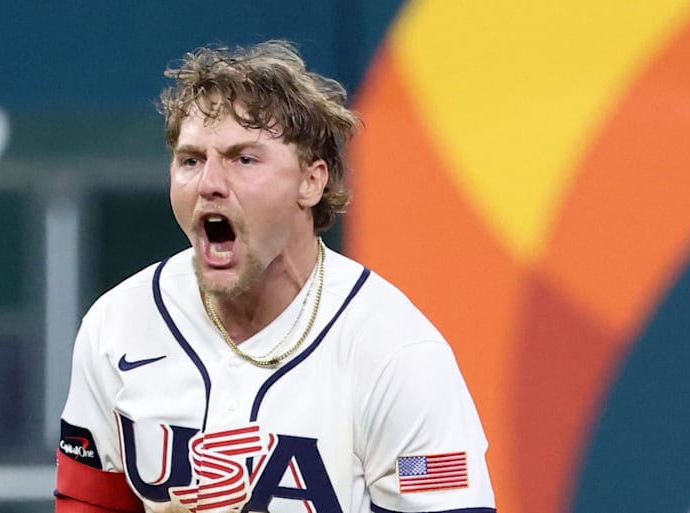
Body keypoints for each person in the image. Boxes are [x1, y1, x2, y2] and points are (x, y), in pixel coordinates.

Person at [55, 40, 496, 513]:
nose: (209, 184)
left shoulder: (396, 353)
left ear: (311, 181)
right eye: (191, 160)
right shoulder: (118, 324)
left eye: (243, 159)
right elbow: (87, 501)